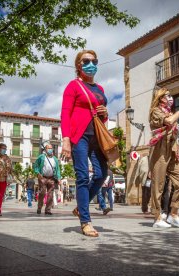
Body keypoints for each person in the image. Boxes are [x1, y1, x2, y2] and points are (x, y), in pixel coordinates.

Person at [60, 49, 109, 237]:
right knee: (82, 177)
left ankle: (81, 207)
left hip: (97, 137)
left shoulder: (100, 89)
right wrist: (66, 139)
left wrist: (105, 113)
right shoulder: (73, 86)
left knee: (101, 174)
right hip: (79, 137)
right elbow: (65, 113)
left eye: (94, 60)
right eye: (87, 60)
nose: (91, 64)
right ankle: (86, 221)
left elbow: (100, 117)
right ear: (78, 65)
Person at [148, 88, 179, 228]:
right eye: (168, 96)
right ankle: (157, 217)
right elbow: (169, 121)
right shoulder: (156, 111)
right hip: (159, 150)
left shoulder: (169, 112)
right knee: (158, 186)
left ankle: (173, 215)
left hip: (172, 150)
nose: (171, 98)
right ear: (161, 98)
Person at [34, 143, 61, 215]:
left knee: (50, 195)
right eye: (48, 148)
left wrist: (59, 178)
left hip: (52, 178)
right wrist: (37, 173)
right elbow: (35, 165)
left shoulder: (55, 159)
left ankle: (48, 210)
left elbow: (58, 169)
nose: (50, 149)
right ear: (45, 150)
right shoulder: (41, 157)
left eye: (51, 148)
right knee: (42, 193)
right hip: (43, 178)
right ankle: (39, 207)